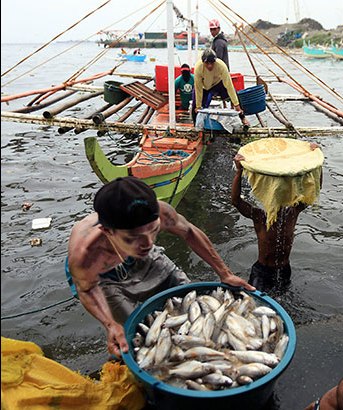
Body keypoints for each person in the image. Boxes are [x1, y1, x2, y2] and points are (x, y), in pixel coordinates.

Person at [67, 176, 255, 357]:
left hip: (141, 259)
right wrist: (109, 325)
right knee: (134, 333)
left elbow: (189, 232)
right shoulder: (85, 253)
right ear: (107, 231)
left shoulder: (160, 215)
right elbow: (87, 288)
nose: (148, 243)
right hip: (103, 277)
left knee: (190, 304)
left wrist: (224, 273)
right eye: (133, 237)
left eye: (154, 231)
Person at [231, 149, 321, 292]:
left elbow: (315, 191)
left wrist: (316, 163)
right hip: (262, 271)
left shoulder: (292, 212)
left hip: (284, 269)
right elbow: (236, 201)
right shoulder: (260, 217)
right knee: (253, 303)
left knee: (283, 304)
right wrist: (239, 172)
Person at [192, 48, 249, 127]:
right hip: (204, 86)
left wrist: (236, 105)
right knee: (195, 106)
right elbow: (198, 87)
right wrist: (198, 105)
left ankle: (243, 118)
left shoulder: (221, 66)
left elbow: (229, 85)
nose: (210, 66)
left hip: (217, 83)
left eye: (212, 63)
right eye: (207, 63)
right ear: (203, 62)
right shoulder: (198, 67)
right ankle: (196, 126)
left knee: (235, 94)